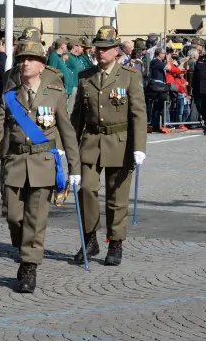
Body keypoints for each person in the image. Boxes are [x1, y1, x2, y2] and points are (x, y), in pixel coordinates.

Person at [0, 40, 80, 293]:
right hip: (15, 162)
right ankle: (25, 245)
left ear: (41, 65)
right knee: (13, 215)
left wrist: (74, 168)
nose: (25, 62)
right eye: (22, 58)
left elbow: (67, 133)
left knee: (35, 219)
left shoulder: (55, 95)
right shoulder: (9, 97)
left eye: (31, 58)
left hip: (43, 163)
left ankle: (28, 266)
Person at [71, 25, 147, 266]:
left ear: (116, 50)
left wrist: (139, 146)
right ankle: (90, 237)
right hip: (91, 141)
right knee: (87, 190)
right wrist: (70, 146)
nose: (100, 52)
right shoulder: (86, 76)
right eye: (97, 48)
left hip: (120, 142)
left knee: (117, 197)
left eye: (105, 48)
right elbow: (77, 116)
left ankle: (115, 242)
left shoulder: (129, 75)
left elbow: (138, 113)